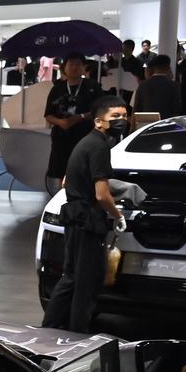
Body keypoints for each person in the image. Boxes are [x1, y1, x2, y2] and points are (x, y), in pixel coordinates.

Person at [41, 95, 131, 333]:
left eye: (124, 115)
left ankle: (49, 329)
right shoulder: (99, 147)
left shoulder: (86, 142)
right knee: (85, 282)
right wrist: (118, 215)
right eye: (116, 116)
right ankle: (77, 333)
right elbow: (101, 195)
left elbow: (65, 182)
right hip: (87, 220)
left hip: (75, 217)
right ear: (99, 121)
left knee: (72, 277)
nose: (122, 120)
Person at [43, 52, 104, 195]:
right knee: (59, 170)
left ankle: (82, 199)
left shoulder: (92, 86)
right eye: (71, 64)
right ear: (64, 67)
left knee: (84, 169)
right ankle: (60, 199)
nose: (74, 67)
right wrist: (61, 122)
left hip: (85, 136)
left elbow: (100, 111)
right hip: (61, 137)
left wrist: (80, 117)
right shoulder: (57, 88)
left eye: (78, 64)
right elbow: (48, 115)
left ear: (84, 67)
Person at [134, 54, 182, 120]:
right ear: (168, 67)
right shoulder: (173, 85)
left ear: (154, 68)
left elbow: (137, 108)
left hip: (146, 123)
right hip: (165, 123)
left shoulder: (143, 85)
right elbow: (176, 108)